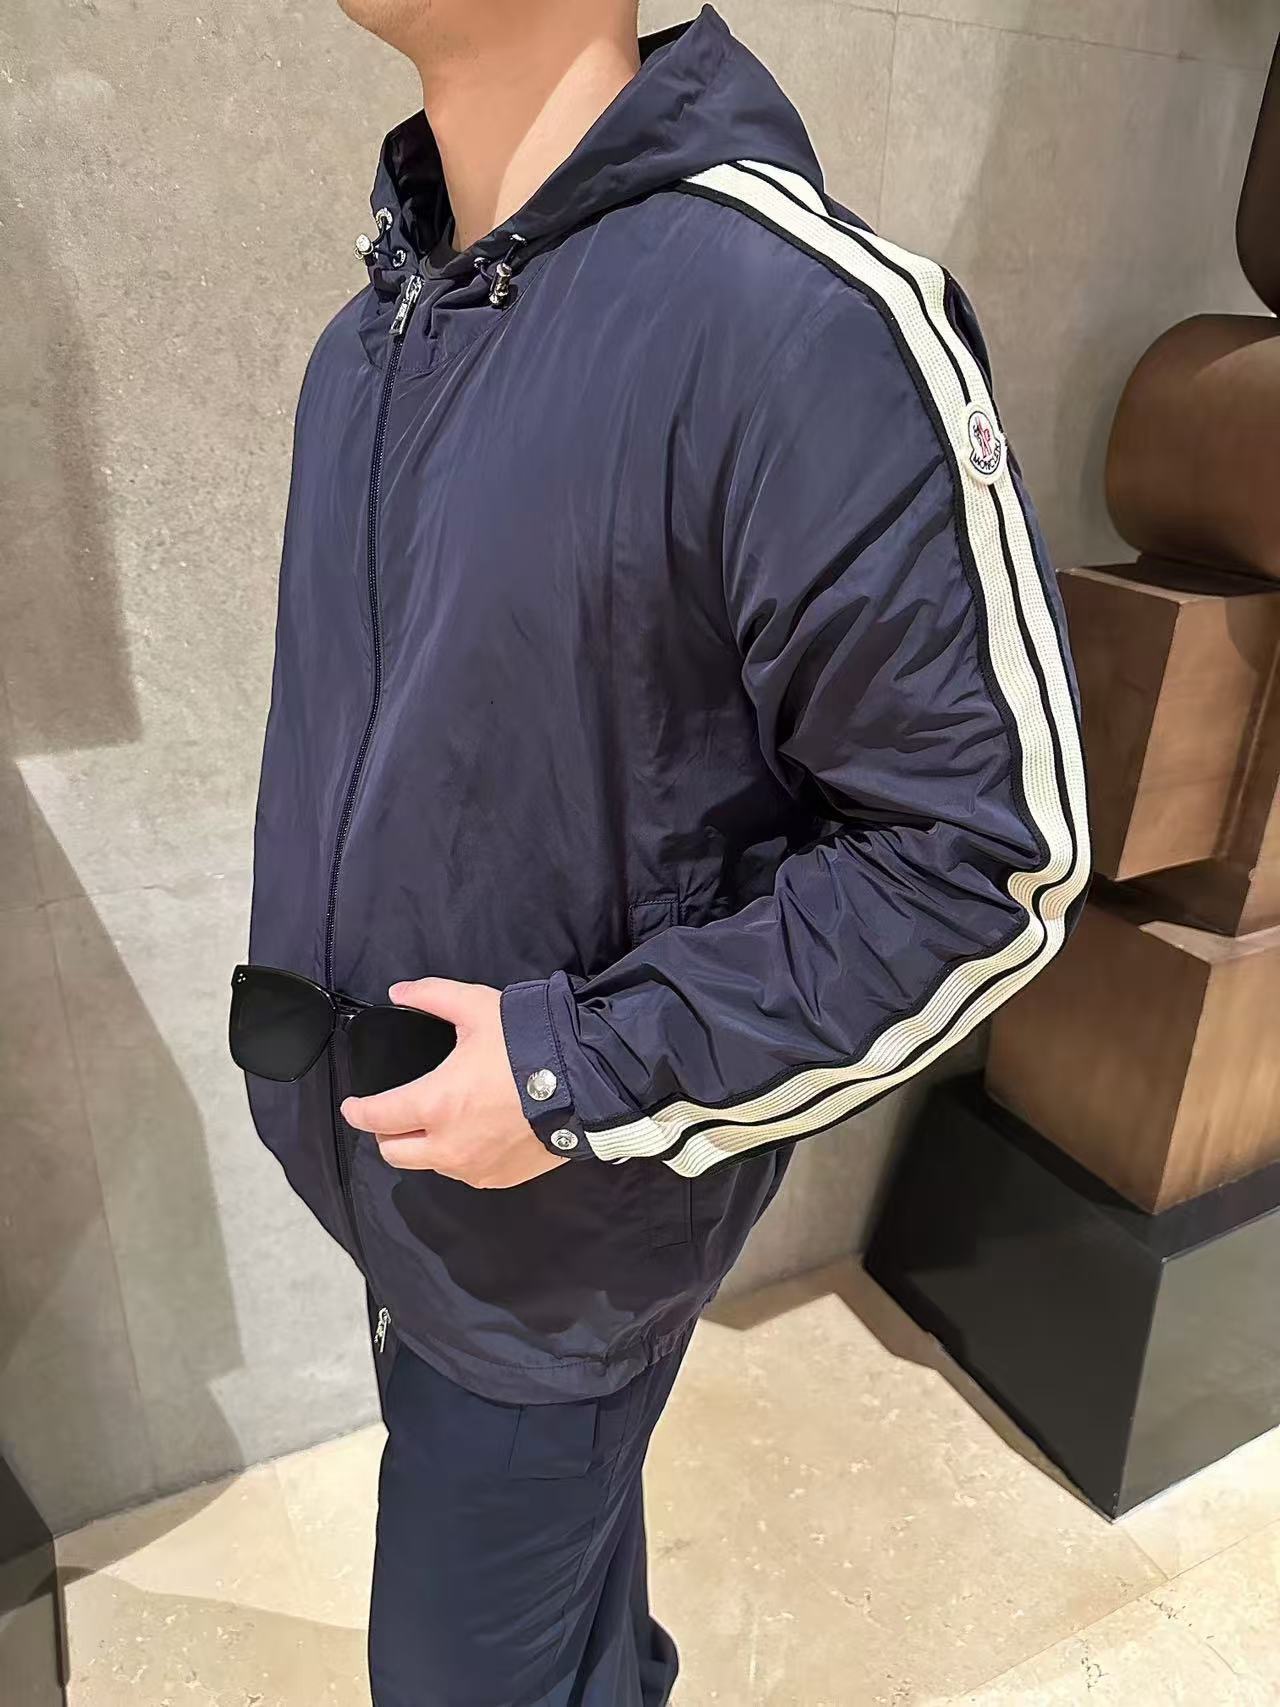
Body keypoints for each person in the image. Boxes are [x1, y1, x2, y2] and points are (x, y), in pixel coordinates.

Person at [241, 3, 1089, 1702]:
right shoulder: (371, 344)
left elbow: (980, 863)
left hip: (565, 1229)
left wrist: (579, 1073)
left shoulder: (795, 322)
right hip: (400, 1185)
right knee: (571, 1629)